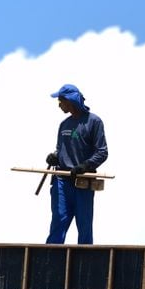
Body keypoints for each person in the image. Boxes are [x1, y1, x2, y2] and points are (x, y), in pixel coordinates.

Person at [45, 84, 108, 244]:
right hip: (61, 181)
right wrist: (54, 157)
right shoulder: (64, 125)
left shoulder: (93, 122)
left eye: (61, 101)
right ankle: (49, 261)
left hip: (82, 183)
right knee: (58, 222)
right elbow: (61, 150)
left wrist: (85, 166)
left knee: (84, 226)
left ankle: (85, 263)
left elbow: (102, 152)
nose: (59, 105)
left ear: (70, 100)